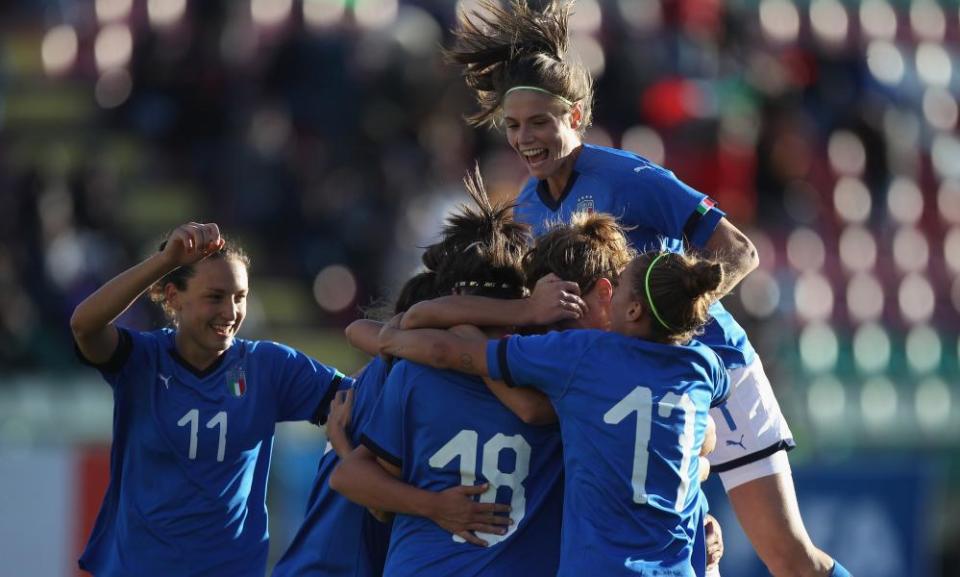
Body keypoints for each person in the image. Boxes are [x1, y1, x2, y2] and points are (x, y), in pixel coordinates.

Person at [445, 2, 849, 576]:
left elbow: (739, 250)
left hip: (715, 372)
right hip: (639, 398)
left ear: (575, 115)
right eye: (513, 125)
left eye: (540, 122)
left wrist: (676, 323)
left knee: (789, 558)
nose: (525, 138)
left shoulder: (629, 176)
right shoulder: (530, 207)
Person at [377, 247, 729, 576]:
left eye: (618, 286)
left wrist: (389, 340)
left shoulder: (584, 354)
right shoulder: (705, 366)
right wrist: (698, 465)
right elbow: (698, 431)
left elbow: (447, 351)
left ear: (633, 309)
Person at [71, 222, 350, 577]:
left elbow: (362, 401)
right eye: (215, 297)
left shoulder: (268, 367)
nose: (231, 312)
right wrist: (165, 260)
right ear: (173, 297)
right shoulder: (141, 360)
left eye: (240, 296)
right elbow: (84, 326)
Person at [331, 171, 566, 576]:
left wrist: (431, 505)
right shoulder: (557, 375)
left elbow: (357, 482)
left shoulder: (414, 370)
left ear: (452, 297)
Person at [273, 268, 490, 577]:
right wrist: (438, 506)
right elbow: (376, 501)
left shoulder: (374, 376)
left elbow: (356, 329)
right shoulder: (404, 384)